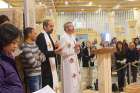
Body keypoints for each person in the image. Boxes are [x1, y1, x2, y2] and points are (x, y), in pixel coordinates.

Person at [36, 19, 60, 90]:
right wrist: (54, 52)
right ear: (45, 27)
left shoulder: (48, 36)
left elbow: (49, 48)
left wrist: (55, 46)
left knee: (51, 85)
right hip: (46, 67)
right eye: (51, 26)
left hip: (50, 67)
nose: (52, 28)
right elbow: (42, 52)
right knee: (47, 86)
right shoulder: (41, 36)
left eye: (53, 26)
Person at [0, 23, 24, 93]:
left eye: (17, 43)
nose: (16, 46)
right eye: (13, 43)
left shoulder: (8, 56)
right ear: (4, 41)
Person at [21, 27, 46, 92]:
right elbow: (33, 64)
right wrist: (39, 58)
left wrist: (37, 57)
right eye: (34, 33)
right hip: (32, 75)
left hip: (39, 73)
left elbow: (44, 57)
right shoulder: (25, 46)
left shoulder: (34, 44)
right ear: (29, 34)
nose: (36, 35)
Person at [59, 22, 81, 93]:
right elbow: (62, 52)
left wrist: (77, 49)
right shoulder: (63, 37)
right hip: (67, 63)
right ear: (66, 28)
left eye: (73, 26)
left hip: (74, 61)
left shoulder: (73, 36)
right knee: (70, 81)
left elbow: (76, 52)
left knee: (75, 80)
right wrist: (74, 49)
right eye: (71, 26)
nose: (73, 28)